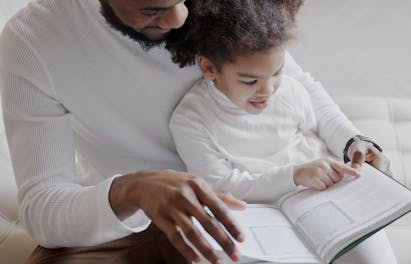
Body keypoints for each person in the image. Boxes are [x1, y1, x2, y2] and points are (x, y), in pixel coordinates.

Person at [0, 0, 390, 263]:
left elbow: (294, 79)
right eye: (151, 8)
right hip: (135, 219)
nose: (179, 19)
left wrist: (354, 140)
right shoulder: (33, 42)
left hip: (265, 194)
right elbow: (43, 208)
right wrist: (130, 189)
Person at [168, 0, 397, 263]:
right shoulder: (190, 120)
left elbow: (322, 121)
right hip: (258, 212)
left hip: (322, 196)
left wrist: (354, 142)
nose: (268, 90)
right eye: (250, 81)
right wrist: (294, 176)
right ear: (209, 68)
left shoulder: (289, 90)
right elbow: (219, 186)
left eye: (277, 72)